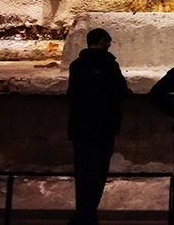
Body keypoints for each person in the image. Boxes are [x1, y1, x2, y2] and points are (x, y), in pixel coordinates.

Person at [67, 27, 128, 225]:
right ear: (103, 42)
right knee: (98, 173)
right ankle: (87, 215)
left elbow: (72, 95)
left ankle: (83, 214)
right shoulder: (110, 65)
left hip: (80, 126)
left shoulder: (76, 65)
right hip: (103, 127)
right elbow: (121, 92)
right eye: (108, 44)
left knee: (82, 173)